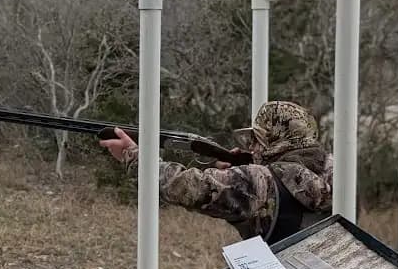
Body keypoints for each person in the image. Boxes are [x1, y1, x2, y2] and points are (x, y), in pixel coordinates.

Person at [99, 100, 333, 244]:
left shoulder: (259, 180)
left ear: (275, 141)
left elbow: (187, 186)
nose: (251, 146)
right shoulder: (334, 173)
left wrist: (134, 156)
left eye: (257, 139)